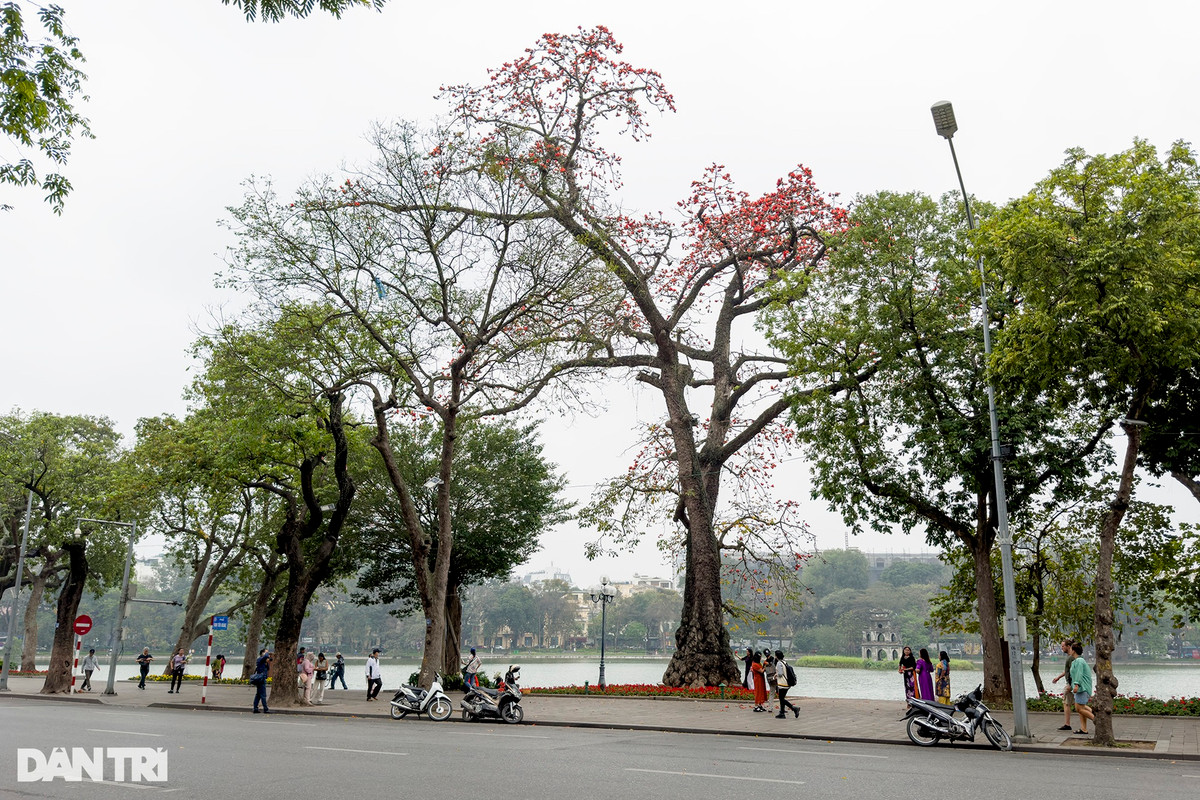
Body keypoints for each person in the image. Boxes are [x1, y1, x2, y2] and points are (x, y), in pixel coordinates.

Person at [1069, 642, 1095, 736]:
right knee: (1081, 709)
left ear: (1074, 651)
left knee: (1079, 709)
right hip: (1080, 688)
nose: (1070, 650)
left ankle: (1096, 720)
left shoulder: (1079, 661)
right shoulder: (1076, 661)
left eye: (1071, 649)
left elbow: (1079, 674)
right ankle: (1084, 729)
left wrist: (1076, 685)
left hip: (1082, 687)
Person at [1051, 639, 1077, 732]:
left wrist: (1071, 685)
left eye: (1063, 646)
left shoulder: (1071, 658)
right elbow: (1067, 671)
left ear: (1068, 646)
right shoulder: (1071, 657)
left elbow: (1074, 672)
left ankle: (1067, 724)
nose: (1061, 648)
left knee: (1070, 704)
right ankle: (1067, 724)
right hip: (1071, 683)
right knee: (1068, 703)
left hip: (1071, 684)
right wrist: (1058, 677)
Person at [774, 650, 799, 719]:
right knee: (782, 698)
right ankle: (782, 713)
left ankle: (794, 708)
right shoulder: (784, 662)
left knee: (781, 699)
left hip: (782, 683)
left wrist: (775, 675)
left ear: (776, 656)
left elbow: (780, 673)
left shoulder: (779, 663)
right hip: (787, 683)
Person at [252, 648, 272, 714]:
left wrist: (267, 662)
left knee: (258, 695)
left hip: (262, 678)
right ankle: (265, 709)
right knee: (263, 695)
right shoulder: (260, 659)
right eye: (266, 652)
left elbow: (268, 668)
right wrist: (266, 655)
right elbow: (266, 656)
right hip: (260, 679)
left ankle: (255, 708)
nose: (268, 654)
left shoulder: (264, 661)